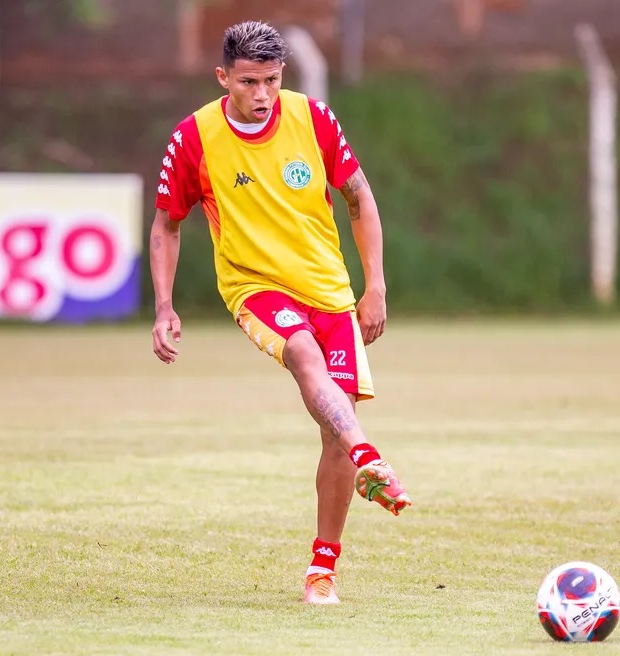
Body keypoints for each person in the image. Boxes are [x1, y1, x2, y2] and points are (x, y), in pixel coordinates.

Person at [148, 20, 411, 605]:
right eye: (248, 82)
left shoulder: (313, 119)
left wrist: (376, 288)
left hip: (328, 289)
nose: (261, 93)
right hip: (254, 286)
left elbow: (359, 197)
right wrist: (164, 305)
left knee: (332, 437)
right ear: (223, 78)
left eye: (270, 80)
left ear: (282, 75)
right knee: (300, 352)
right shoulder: (194, 138)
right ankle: (370, 454)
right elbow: (168, 223)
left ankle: (323, 571)